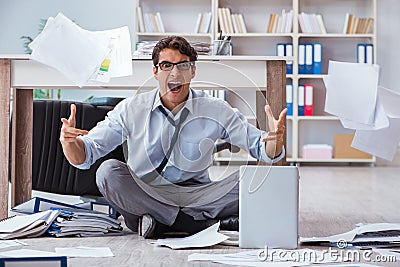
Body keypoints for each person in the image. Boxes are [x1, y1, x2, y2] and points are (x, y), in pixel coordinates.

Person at [60, 36, 287, 239]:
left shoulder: (215, 109)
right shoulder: (131, 108)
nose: (175, 74)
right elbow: (86, 155)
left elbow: (261, 148)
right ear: (155, 71)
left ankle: (162, 223)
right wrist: (70, 143)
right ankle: (194, 225)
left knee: (262, 178)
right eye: (167, 66)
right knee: (107, 172)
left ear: (193, 71)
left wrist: (274, 142)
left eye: (183, 66)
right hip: (143, 192)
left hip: (196, 195)